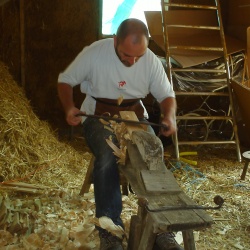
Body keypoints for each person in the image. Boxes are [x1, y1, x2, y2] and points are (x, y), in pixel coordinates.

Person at [58, 18, 183, 250]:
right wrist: (69, 108)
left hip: (134, 115)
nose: (132, 61)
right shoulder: (95, 53)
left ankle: (161, 228)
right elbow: (65, 81)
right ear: (115, 41)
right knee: (106, 155)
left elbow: (167, 95)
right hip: (97, 114)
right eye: (127, 54)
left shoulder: (150, 60)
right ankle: (110, 229)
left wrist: (169, 116)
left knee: (153, 151)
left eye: (138, 56)